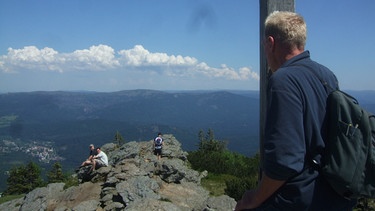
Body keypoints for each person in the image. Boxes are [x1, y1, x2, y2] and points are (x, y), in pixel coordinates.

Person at [235, 11, 356, 210]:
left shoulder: (283, 80)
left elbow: (285, 161)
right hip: (335, 193)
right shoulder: (326, 75)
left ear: (270, 43)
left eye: (265, 45)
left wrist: (254, 198)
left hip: (301, 198)